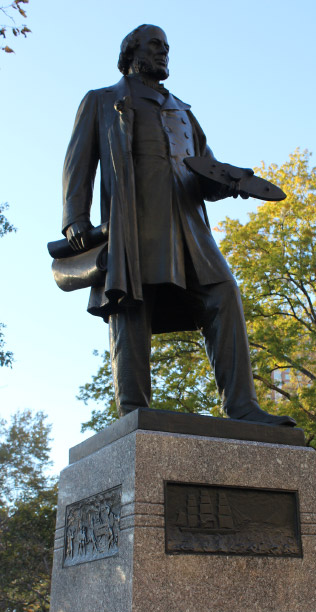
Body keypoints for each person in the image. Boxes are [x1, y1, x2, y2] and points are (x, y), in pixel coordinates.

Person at [62, 24, 296, 427]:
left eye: (167, 47)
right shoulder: (102, 102)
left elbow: (203, 170)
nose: (164, 53)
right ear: (132, 52)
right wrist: (75, 219)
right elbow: (78, 163)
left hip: (189, 226)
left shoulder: (184, 111)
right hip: (134, 222)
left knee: (223, 294)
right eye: (155, 46)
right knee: (132, 304)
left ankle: (242, 406)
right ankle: (133, 411)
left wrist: (231, 183)